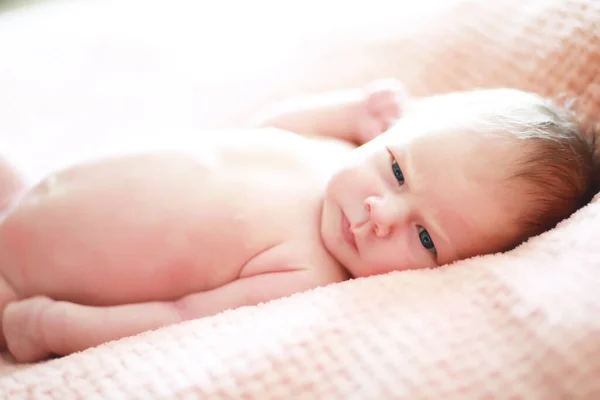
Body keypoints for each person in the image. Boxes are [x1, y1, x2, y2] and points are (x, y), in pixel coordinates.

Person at [0, 79, 597, 362]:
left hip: (32, 275)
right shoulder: (330, 150)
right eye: (396, 171)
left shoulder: (305, 273)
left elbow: (175, 318)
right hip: (46, 187)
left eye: (424, 237)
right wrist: (345, 109)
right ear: (392, 131)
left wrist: (55, 328)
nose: (379, 215)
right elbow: (264, 127)